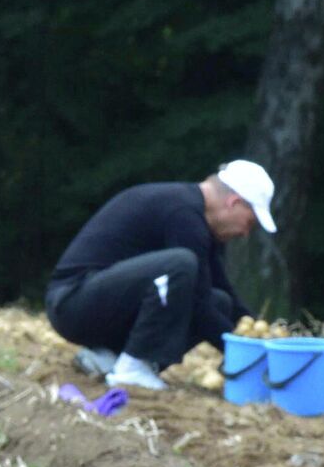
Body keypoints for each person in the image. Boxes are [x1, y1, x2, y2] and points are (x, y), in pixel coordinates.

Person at [45, 162, 274, 391]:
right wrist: (240, 349)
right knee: (179, 264)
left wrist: (259, 335)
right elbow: (198, 301)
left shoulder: (196, 217)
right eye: (250, 223)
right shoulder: (182, 214)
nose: (245, 233)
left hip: (101, 305)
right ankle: (132, 368)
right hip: (72, 303)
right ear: (233, 202)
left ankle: (112, 359)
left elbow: (219, 289)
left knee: (220, 302)